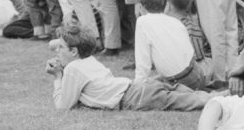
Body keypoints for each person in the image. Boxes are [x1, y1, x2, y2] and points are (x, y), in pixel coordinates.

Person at [45, 23, 215, 111]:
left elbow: (63, 106)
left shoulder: (74, 69)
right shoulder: (89, 60)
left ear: (74, 51)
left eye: (60, 47)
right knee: (181, 93)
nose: (57, 51)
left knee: (185, 101)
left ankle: (225, 99)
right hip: (136, 87)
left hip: (132, 97)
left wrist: (58, 78)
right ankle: (220, 95)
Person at [133, 0, 213, 90]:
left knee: (150, 86)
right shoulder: (175, 22)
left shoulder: (142, 22)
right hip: (196, 73)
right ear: (165, 5)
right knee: (154, 82)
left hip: (180, 80)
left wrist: (137, 88)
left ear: (141, 7)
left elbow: (143, 65)